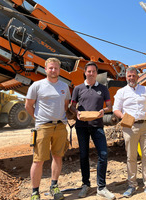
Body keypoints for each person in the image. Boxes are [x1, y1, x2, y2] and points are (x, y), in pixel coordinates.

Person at [113, 67, 146, 198]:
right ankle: (132, 185)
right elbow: (115, 109)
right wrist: (123, 117)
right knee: (131, 157)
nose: (131, 78)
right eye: (129, 76)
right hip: (130, 127)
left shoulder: (145, 90)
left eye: (133, 76)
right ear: (126, 77)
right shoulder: (121, 92)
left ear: (138, 77)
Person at [25, 57, 70, 200]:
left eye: (56, 68)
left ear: (59, 70)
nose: (53, 70)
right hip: (43, 127)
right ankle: (35, 192)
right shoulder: (37, 86)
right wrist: (38, 119)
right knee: (38, 160)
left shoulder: (64, 86)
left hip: (60, 126)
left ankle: (54, 186)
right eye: (50, 68)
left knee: (57, 157)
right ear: (45, 69)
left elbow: (65, 105)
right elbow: (28, 105)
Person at [70, 61, 115, 200]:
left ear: (96, 73)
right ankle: (86, 184)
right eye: (88, 71)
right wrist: (76, 112)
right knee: (84, 155)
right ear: (85, 72)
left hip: (97, 126)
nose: (91, 74)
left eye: (93, 72)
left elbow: (109, 106)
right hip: (81, 127)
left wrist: (104, 110)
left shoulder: (103, 88)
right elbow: (72, 106)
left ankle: (101, 187)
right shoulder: (78, 88)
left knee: (103, 154)